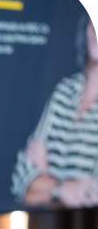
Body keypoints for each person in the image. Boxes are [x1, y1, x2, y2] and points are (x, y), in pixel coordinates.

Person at [11, 14, 98, 207]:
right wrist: (64, 190)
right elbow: (21, 180)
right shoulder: (64, 91)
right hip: (43, 225)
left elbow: (90, 198)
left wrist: (44, 177)